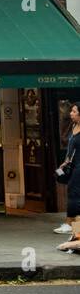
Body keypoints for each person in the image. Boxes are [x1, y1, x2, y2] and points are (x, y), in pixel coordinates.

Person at [57, 104, 80, 253]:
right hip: (73, 165)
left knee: (75, 198)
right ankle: (75, 235)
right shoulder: (74, 127)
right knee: (74, 197)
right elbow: (70, 148)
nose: (71, 113)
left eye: (74, 111)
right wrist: (65, 162)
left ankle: (72, 227)